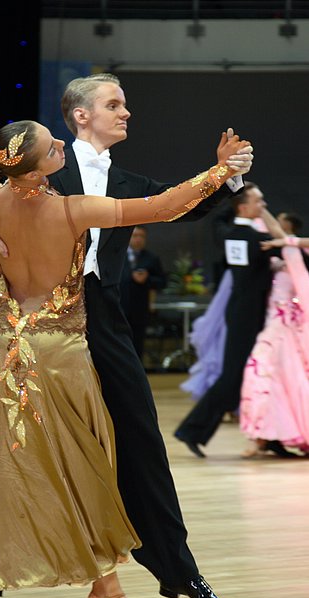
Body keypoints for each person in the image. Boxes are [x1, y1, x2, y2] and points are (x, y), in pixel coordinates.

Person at [0, 119, 247, 598]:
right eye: (52, 147)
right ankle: (106, 594)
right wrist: (221, 170)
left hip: (2, 353)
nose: (61, 147)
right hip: (58, 357)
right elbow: (163, 207)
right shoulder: (73, 209)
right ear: (36, 169)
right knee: (82, 470)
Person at [174, 183, 292, 458]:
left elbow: (219, 220)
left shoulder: (230, 234)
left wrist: (239, 193)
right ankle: (192, 430)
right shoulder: (256, 239)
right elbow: (284, 241)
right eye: (259, 201)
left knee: (258, 376)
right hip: (249, 317)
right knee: (234, 378)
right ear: (244, 207)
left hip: (241, 313)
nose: (263, 205)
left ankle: (269, 436)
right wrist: (263, 216)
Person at [240, 211, 309, 457]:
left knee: (275, 374)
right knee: (266, 375)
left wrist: (263, 211)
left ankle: (272, 435)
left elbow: (283, 237)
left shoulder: (295, 252)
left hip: (288, 326)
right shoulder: (280, 252)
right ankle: (263, 435)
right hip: (276, 323)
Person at [120, 225, 166, 360]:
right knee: (120, 344)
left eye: (142, 236)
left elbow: (162, 282)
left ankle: (136, 371)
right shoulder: (118, 257)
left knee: (138, 345)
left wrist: (147, 279)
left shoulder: (151, 258)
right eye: (135, 236)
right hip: (119, 308)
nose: (138, 239)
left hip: (139, 310)